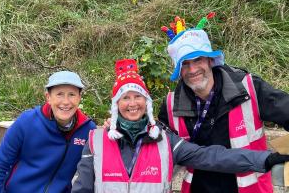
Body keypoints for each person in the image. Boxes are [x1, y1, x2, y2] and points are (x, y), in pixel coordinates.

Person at [72, 59, 289, 193]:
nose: (132, 104)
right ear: (116, 105)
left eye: (138, 97)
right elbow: (82, 188)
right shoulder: (96, 141)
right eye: (124, 97)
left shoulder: (164, 140)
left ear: (146, 103)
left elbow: (211, 156)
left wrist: (264, 159)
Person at [158, 13, 289, 193]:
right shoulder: (171, 105)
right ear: (179, 71)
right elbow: (153, 147)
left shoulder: (249, 88)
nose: (193, 69)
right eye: (185, 64)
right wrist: (119, 125)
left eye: (198, 60)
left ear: (211, 60)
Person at [0, 71, 97, 193]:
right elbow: (0, 165)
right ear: (48, 97)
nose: (65, 101)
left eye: (72, 95)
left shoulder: (88, 130)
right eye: (59, 94)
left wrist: (112, 127)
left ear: (79, 98)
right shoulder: (27, 122)